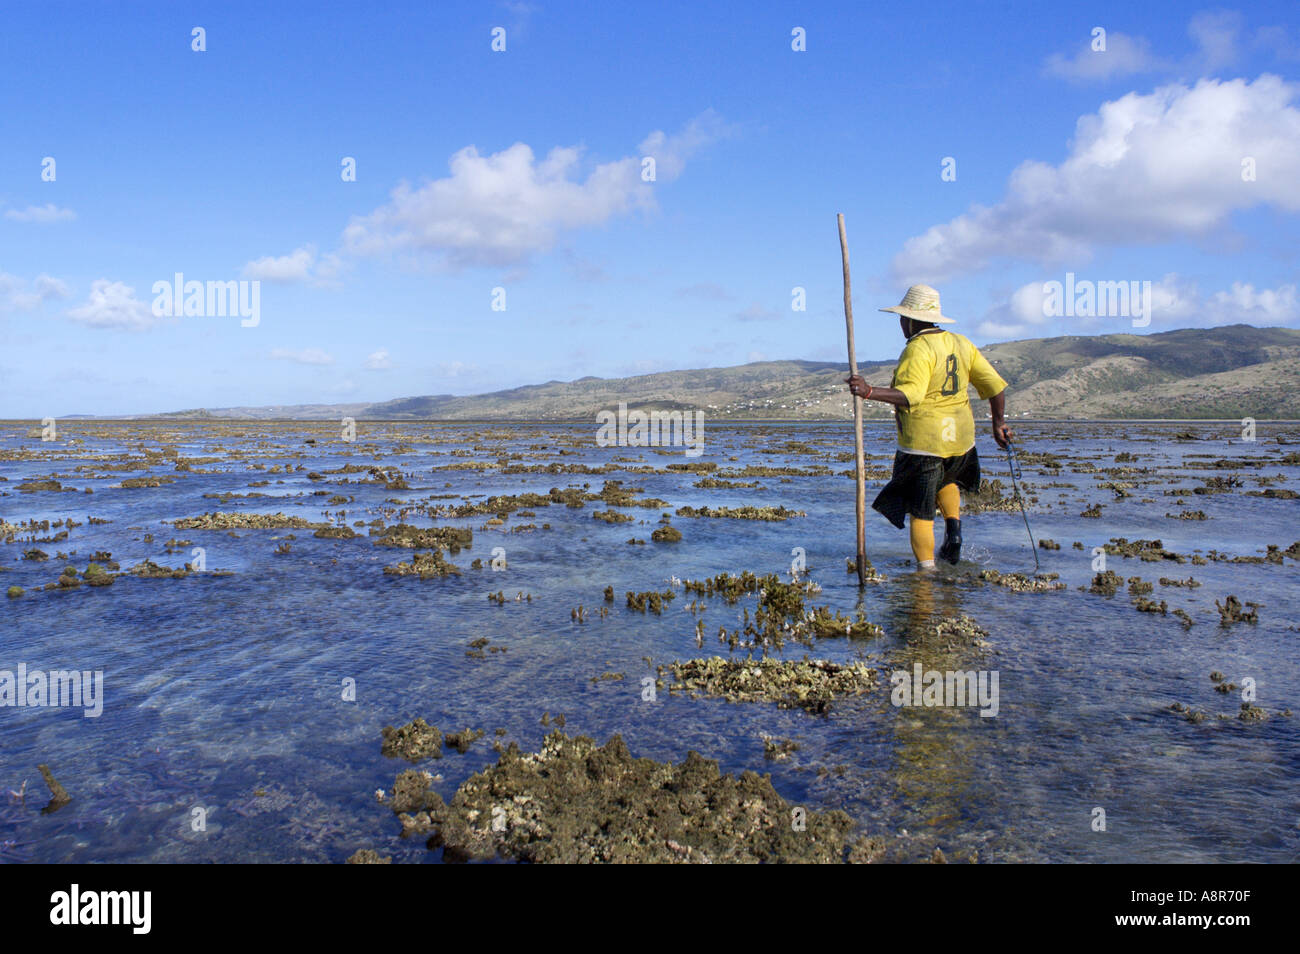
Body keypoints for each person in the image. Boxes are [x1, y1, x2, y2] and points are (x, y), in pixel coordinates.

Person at [846, 284, 1013, 569]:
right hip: (961, 439)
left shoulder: (918, 348)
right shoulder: (961, 343)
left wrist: (869, 391)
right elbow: (995, 386)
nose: (900, 324)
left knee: (920, 510)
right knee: (946, 481)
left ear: (909, 320)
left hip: (925, 442)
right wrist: (999, 423)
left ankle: (925, 576)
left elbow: (911, 395)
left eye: (901, 319)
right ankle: (954, 530)